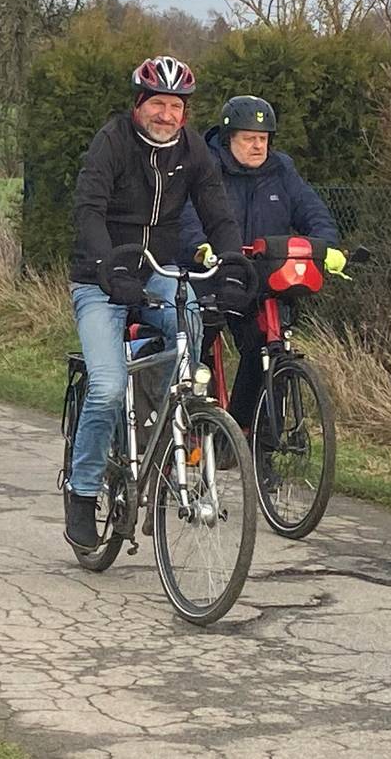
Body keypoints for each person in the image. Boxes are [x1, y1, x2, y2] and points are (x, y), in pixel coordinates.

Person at [66, 56, 248, 552]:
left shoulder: (192, 151)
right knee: (106, 387)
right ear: (138, 105)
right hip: (100, 278)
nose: (165, 115)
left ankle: (160, 429)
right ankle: (82, 491)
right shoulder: (112, 141)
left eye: (175, 106)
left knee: (189, 328)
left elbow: (216, 210)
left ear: (184, 113)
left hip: (160, 272)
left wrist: (232, 260)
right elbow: (89, 209)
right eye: (157, 104)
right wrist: (108, 266)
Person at [178, 94, 343, 433]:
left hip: (263, 278)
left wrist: (327, 246)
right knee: (198, 340)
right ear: (228, 140)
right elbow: (188, 215)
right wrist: (202, 247)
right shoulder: (206, 168)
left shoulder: (281, 169)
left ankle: (243, 432)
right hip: (213, 275)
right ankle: (193, 422)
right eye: (249, 138)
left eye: (264, 139)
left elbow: (312, 211)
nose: (258, 146)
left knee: (264, 346)